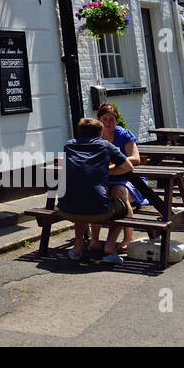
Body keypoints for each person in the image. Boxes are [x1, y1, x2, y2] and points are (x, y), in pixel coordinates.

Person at [57, 116, 135, 263]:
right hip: (97, 209)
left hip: (65, 208)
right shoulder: (105, 145)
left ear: (79, 132)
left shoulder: (69, 145)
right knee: (122, 207)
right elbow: (128, 167)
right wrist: (106, 171)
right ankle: (110, 247)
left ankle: (77, 248)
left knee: (80, 199)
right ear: (100, 133)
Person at [90, 103, 146, 254]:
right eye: (104, 119)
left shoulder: (123, 135)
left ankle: (128, 237)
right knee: (97, 194)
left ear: (117, 120)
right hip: (105, 178)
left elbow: (135, 159)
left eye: (111, 120)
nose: (108, 123)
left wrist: (114, 165)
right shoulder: (95, 135)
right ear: (98, 119)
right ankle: (94, 240)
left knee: (119, 193)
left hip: (128, 178)